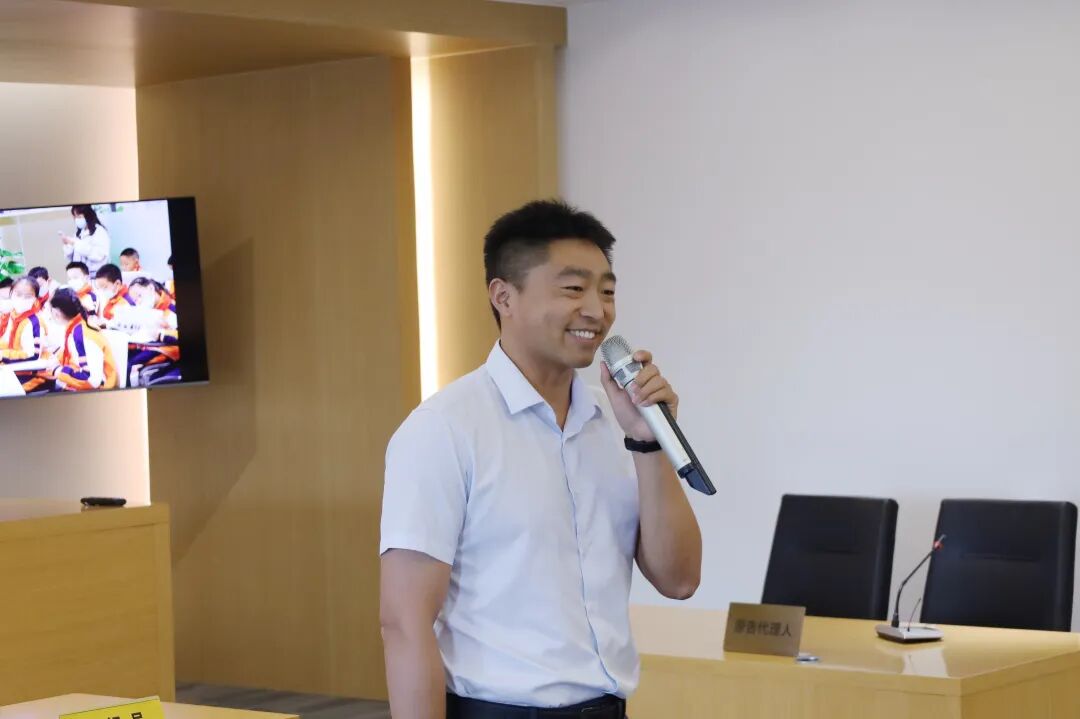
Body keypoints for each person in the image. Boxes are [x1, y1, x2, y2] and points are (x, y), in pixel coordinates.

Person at [380, 200, 703, 719]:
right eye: (573, 289)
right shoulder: (443, 429)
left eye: (607, 291)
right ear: (503, 296)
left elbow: (679, 580)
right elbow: (404, 622)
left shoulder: (615, 422)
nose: (597, 311)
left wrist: (647, 442)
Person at [43, 288, 117, 392]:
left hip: (96, 393)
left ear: (56, 313)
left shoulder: (82, 336)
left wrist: (58, 370)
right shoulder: (76, 327)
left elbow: (92, 380)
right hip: (80, 388)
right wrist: (55, 361)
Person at [0, 277, 50, 392]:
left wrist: (3, 355)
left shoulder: (34, 322)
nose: (22, 299)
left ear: (35, 299)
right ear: (11, 294)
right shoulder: (14, 315)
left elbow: (32, 355)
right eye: (18, 294)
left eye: (28, 296)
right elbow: (7, 342)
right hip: (11, 368)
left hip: (32, 374)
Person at [60, 205, 111, 275]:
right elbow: (71, 257)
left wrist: (75, 244)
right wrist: (67, 244)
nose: (76, 219)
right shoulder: (78, 233)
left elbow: (99, 255)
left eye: (79, 216)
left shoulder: (99, 231)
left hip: (95, 274)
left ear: (88, 216)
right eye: (75, 217)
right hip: (80, 274)